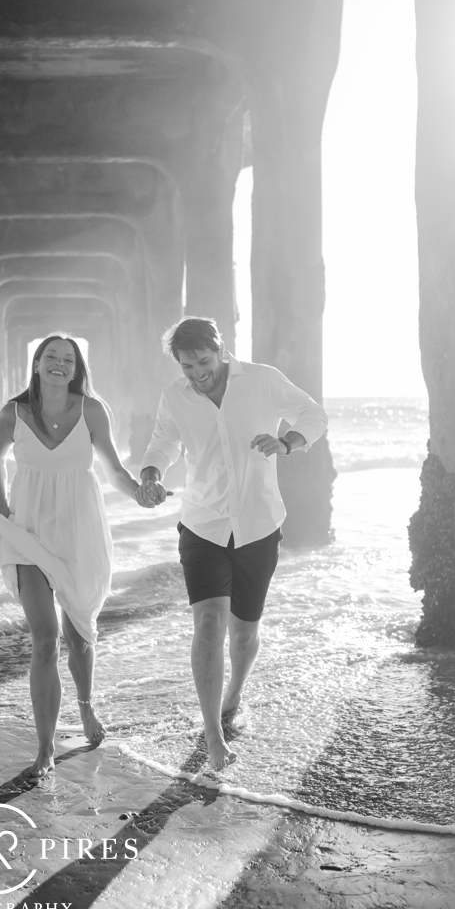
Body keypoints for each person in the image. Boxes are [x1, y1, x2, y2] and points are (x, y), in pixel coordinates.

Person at [137, 316, 327, 773]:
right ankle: (212, 733)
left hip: (259, 525)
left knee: (244, 630)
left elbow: (313, 415)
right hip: (202, 524)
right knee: (207, 625)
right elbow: (162, 442)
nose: (197, 374)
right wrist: (151, 474)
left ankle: (235, 692)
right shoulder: (174, 397)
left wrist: (287, 443)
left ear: (220, 348)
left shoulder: (261, 380)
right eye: (187, 367)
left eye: (203, 362)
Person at [0, 334, 158, 777]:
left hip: (81, 533)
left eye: (68, 358)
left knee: (80, 637)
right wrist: (2, 504)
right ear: (37, 364)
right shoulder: (13, 413)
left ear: (77, 367)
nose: (59, 364)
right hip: (28, 533)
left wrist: (140, 493)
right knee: (45, 639)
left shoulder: (92, 411)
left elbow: (114, 470)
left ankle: (84, 706)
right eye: (51, 357)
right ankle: (44, 748)